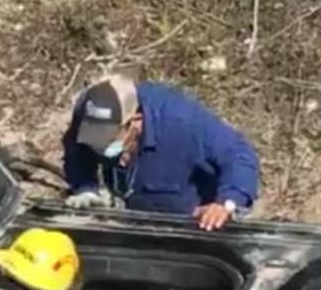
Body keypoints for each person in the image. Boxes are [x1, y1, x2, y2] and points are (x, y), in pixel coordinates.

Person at [62, 74, 261, 231]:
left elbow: (239, 154)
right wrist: (85, 188)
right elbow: (76, 151)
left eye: (109, 137)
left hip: (193, 224)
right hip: (131, 222)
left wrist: (226, 203)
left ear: (135, 122)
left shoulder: (183, 121)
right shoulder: (87, 111)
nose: (101, 145)